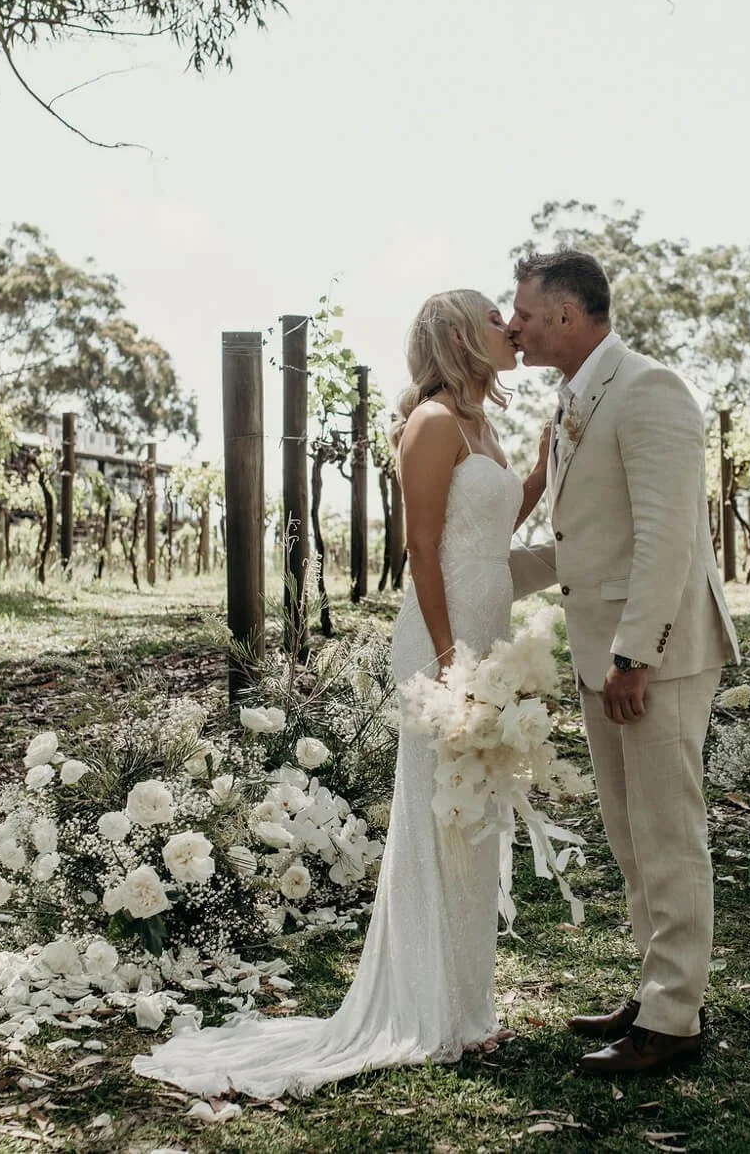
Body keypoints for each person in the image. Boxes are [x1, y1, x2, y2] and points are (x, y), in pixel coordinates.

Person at [133, 288, 546, 1099]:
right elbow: (421, 551)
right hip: (443, 638)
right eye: (496, 318)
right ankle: (429, 1009)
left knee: (475, 815)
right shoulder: (430, 424)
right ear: (460, 335)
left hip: (486, 632)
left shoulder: (481, 426)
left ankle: (467, 1007)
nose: (511, 328)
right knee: (438, 816)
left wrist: (542, 472)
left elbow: (493, 530)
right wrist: (448, 655)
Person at [507, 249, 740, 1076]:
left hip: (655, 657)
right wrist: (477, 574)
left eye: (525, 314)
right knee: (630, 831)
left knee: (668, 831)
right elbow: (583, 543)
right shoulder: (574, 400)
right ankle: (658, 989)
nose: (515, 327)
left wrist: (636, 653)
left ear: (568, 315)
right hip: (605, 655)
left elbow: (665, 537)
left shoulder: (649, 390)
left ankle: (674, 1020)